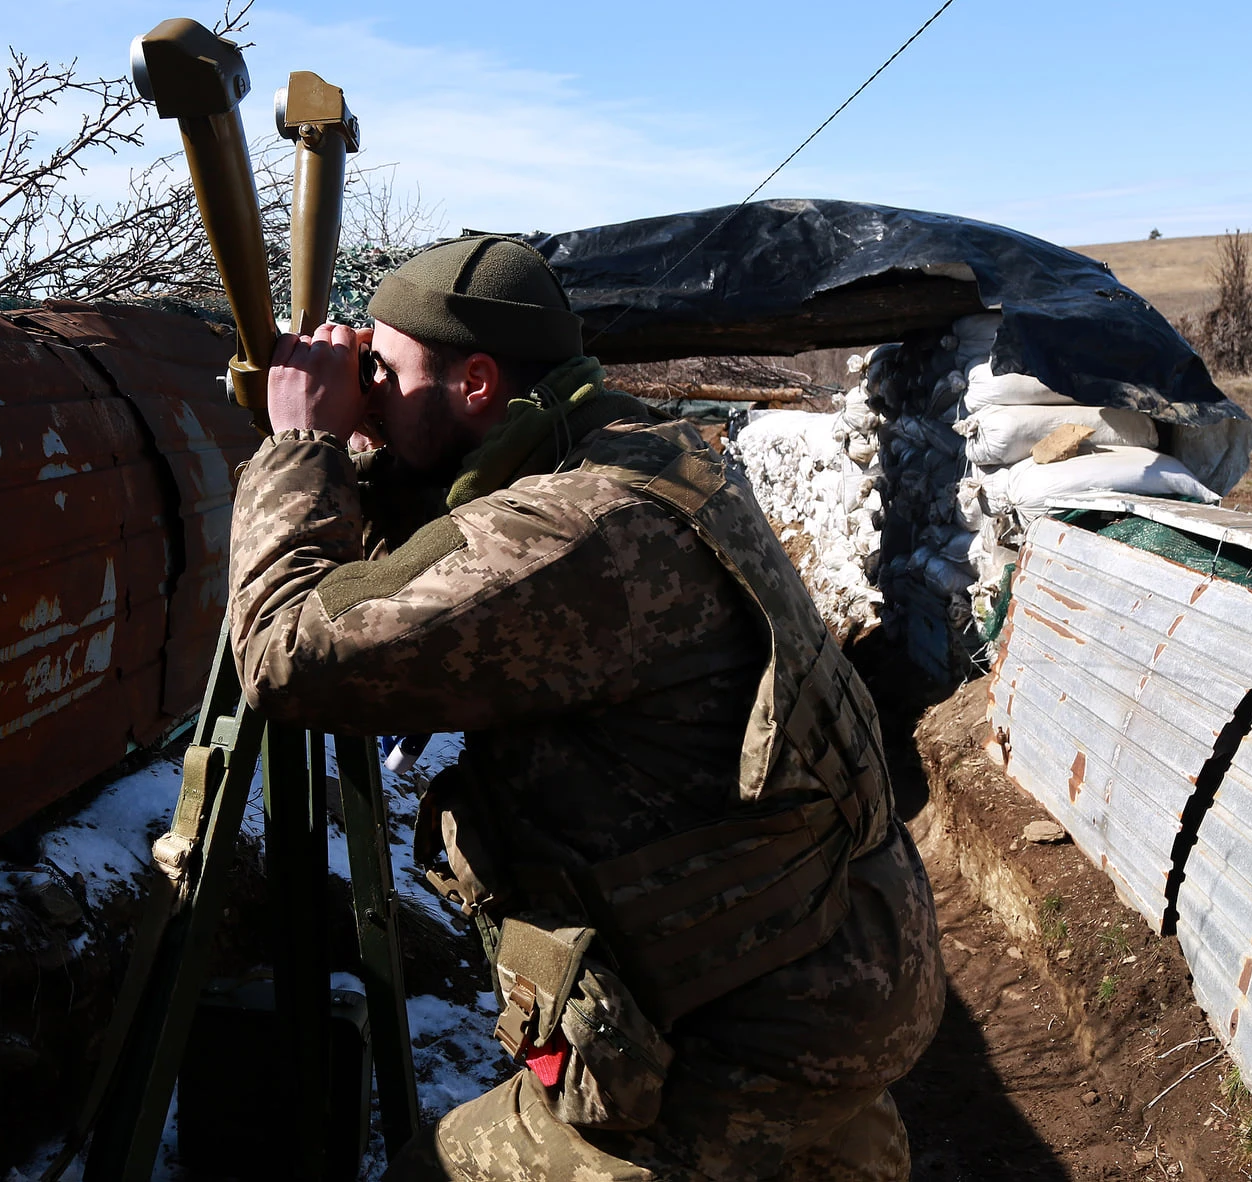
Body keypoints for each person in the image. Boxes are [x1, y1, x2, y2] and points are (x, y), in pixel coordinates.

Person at [227, 235, 944, 1181]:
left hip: (753, 1018)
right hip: (835, 949)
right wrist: (373, 441)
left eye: (384, 373)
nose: (368, 390)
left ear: (478, 382)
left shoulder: (578, 532)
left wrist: (300, 446)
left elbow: (287, 653)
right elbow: (453, 536)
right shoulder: (633, 446)